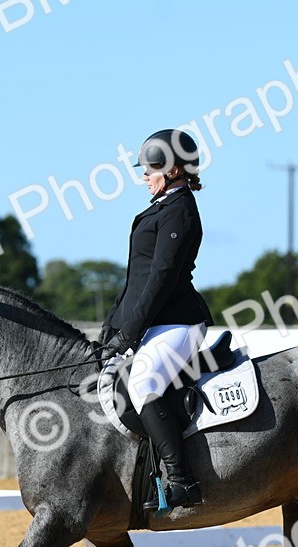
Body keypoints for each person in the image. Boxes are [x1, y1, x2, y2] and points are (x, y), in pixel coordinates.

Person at [98, 128, 214, 511]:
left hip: (178, 322)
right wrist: (113, 325)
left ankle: (181, 482)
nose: (144, 175)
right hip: (155, 321)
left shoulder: (180, 210)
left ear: (175, 169)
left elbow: (162, 278)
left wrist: (131, 331)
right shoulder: (160, 207)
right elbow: (137, 277)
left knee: (144, 382)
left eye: (150, 168)